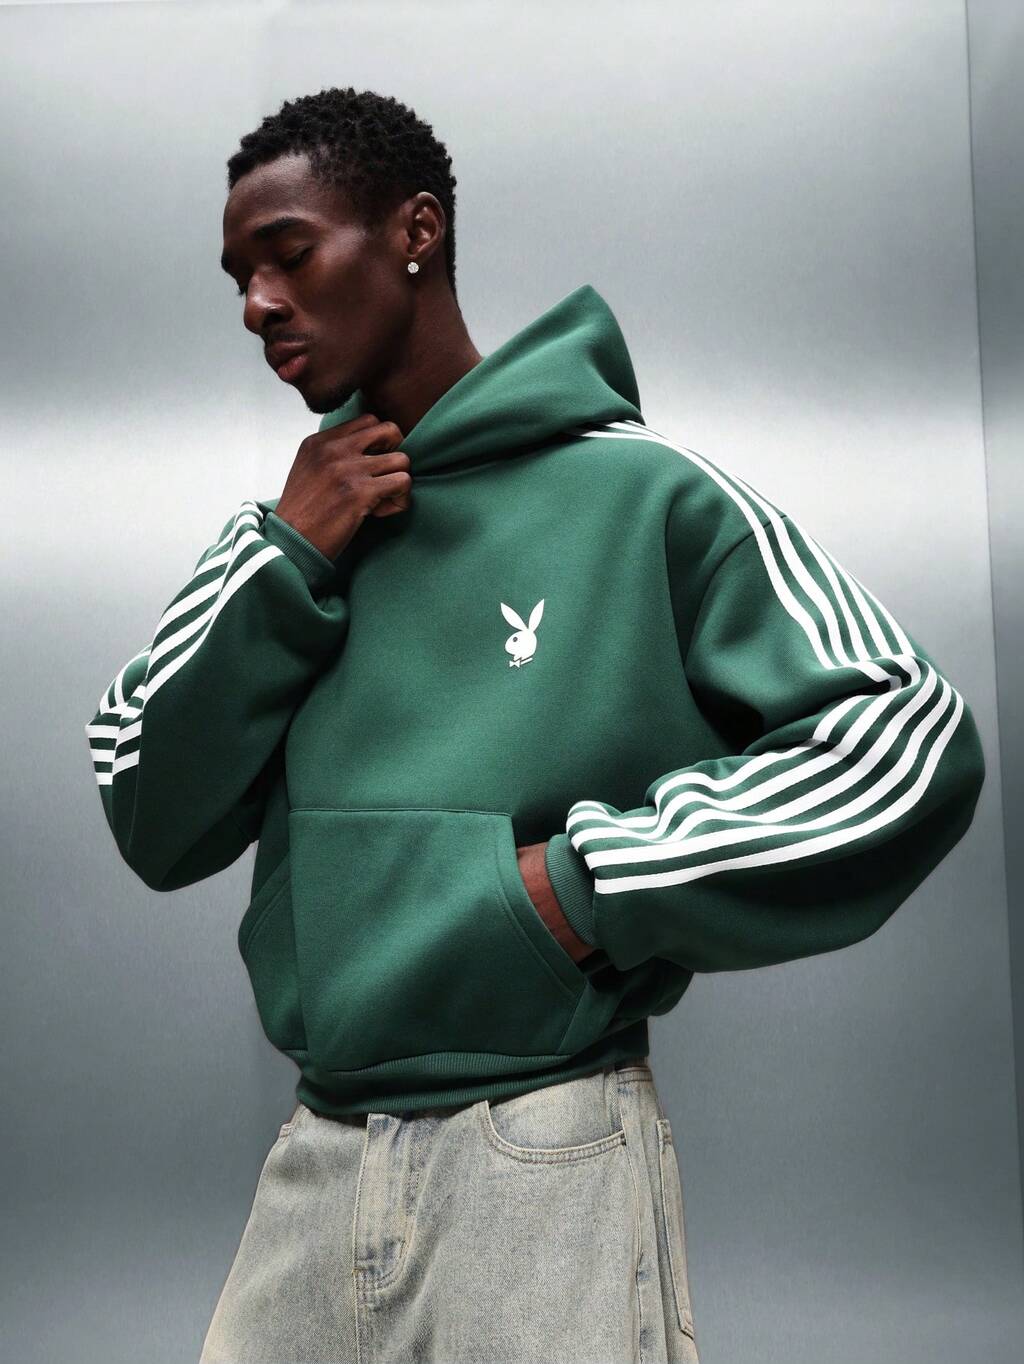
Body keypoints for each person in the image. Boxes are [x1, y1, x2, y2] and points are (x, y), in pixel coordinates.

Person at [84, 86, 987, 1364]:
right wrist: (286, 555)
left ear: (415, 231)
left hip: (543, 1149)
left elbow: (907, 736)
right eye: (239, 278)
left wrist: (581, 887)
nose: (257, 304)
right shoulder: (286, 536)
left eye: (288, 253)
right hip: (319, 1154)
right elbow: (147, 806)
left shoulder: (642, 495)